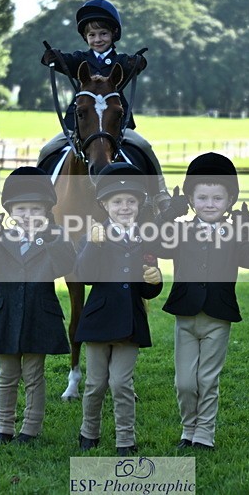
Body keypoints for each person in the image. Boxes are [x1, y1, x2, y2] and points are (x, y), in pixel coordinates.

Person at [154, 152, 249, 450]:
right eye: (202, 197)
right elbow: (151, 242)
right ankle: (188, 428)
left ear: (230, 200)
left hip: (218, 317)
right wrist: (169, 213)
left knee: (207, 379)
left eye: (217, 198)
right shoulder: (180, 231)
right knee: (185, 382)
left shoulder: (235, 233)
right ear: (191, 200)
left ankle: (203, 434)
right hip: (186, 315)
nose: (210, 204)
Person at [0, 166, 76, 445]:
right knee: (6, 375)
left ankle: (30, 429)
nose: (28, 216)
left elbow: (66, 263)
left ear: (46, 211)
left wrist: (52, 236)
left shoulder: (53, 238)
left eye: (35, 210)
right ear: (10, 212)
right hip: (5, 316)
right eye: (21, 210)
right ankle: (3, 428)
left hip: (38, 317)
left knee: (33, 375)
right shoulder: (1, 238)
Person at [39, 0, 170, 209]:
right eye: (92, 35)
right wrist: (51, 58)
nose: (98, 39)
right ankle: (38, 196)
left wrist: (138, 63)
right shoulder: (79, 59)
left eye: (103, 34)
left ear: (113, 35)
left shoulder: (120, 61)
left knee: (144, 146)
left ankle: (160, 195)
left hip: (115, 125)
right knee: (47, 150)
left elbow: (133, 66)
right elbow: (64, 61)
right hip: (80, 125)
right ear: (85, 37)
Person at [73, 162, 163, 457]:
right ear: (104, 204)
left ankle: (126, 439)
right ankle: (89, 432)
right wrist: (92, 246)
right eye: (117, 202)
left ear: (138, 205)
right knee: (96, 384)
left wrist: (154, 281)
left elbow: (148, 286)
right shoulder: (94, 236)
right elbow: (84, 276)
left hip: (130, 322)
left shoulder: (146, 237)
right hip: (99, 321)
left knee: (122, 383)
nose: (124, 207)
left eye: (130, 202)